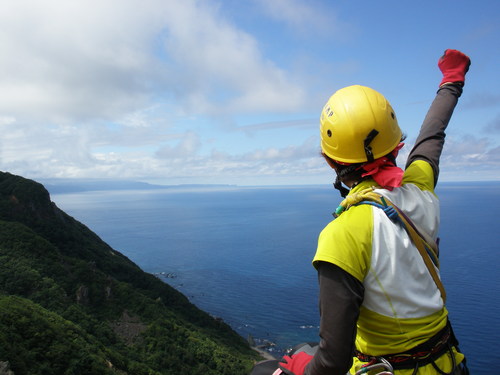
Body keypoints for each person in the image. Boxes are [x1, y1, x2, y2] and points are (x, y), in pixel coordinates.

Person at [277, 49, 471, 375]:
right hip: (449, 364)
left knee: (288, 358)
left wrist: (298, 368)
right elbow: (430, 138)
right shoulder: (420, 191)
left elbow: (331, 362)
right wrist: (451, 81)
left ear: (330, 160)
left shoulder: (343, 233)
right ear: (397, 147)